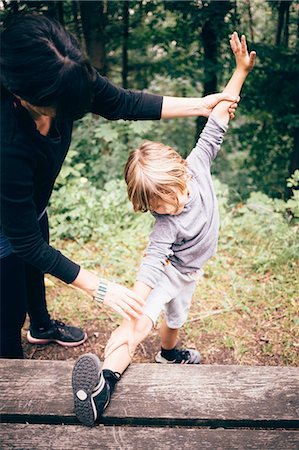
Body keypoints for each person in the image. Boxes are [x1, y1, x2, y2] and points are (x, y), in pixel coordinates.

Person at [0, 14, 238, 359]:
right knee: (8, 311)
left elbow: (122, 102)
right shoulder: (7, 141)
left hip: (32, 204)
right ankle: (14, 382)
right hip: (5, 222)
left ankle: (41, 326)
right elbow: (23, 241)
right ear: (23, 94)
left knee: (34, 272)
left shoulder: (67, 76)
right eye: (58, 111)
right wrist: (98, 288)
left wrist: (201, 106)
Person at [71, 32, 256, 427]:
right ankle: (101, 384)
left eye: (165, 200)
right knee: (137, 326)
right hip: (170, 273)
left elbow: (220, 114)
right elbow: (153, 261)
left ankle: (169, 354)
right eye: (153, 207)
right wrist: (137, 300)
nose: (163, 211)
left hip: (190, 273)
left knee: (175, 321)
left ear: (178, 174)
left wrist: (239, 71)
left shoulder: (199, 162)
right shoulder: (164, 225)